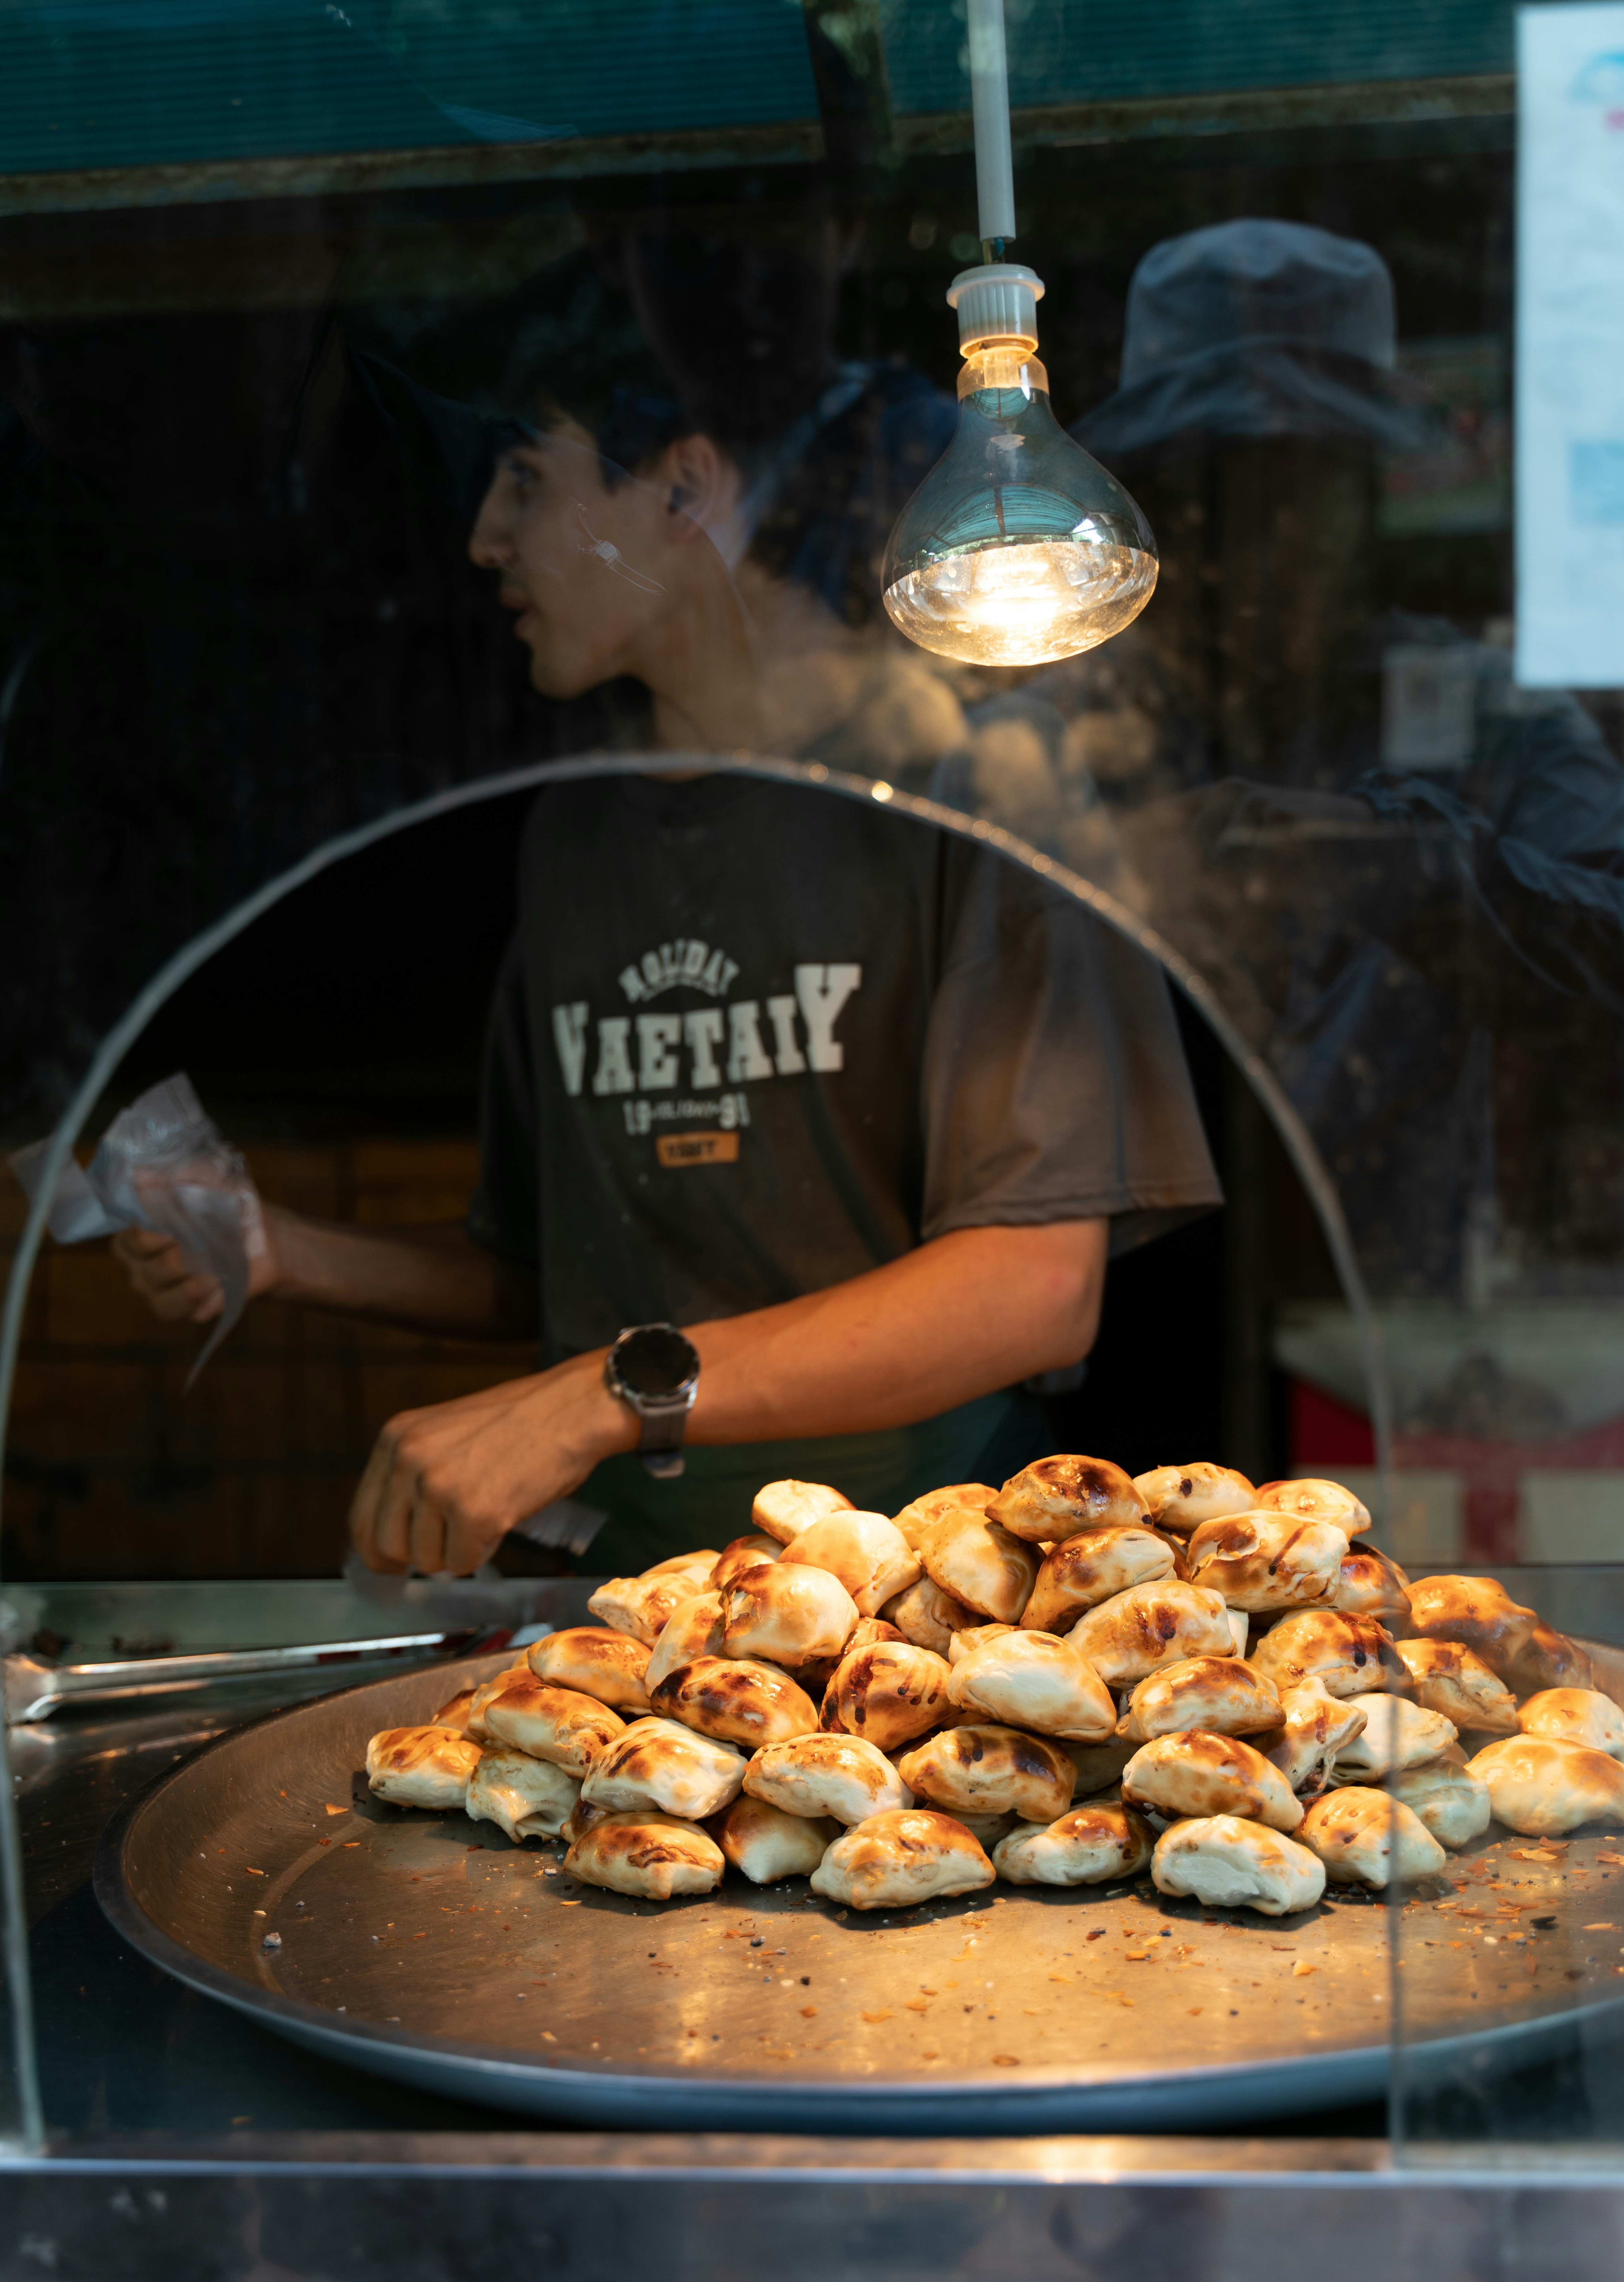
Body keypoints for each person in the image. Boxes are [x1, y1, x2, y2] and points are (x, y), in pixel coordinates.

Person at [113, 280, 1220, 1579]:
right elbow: (557, 1275)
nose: (482, 538)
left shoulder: (978, 777)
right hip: (631, 1602)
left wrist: (599, 1395)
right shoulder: (571, 837)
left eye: (525, 480)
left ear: (686, 485)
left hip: (925, 1604)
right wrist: (278, 1249)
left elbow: (1031, 1284)